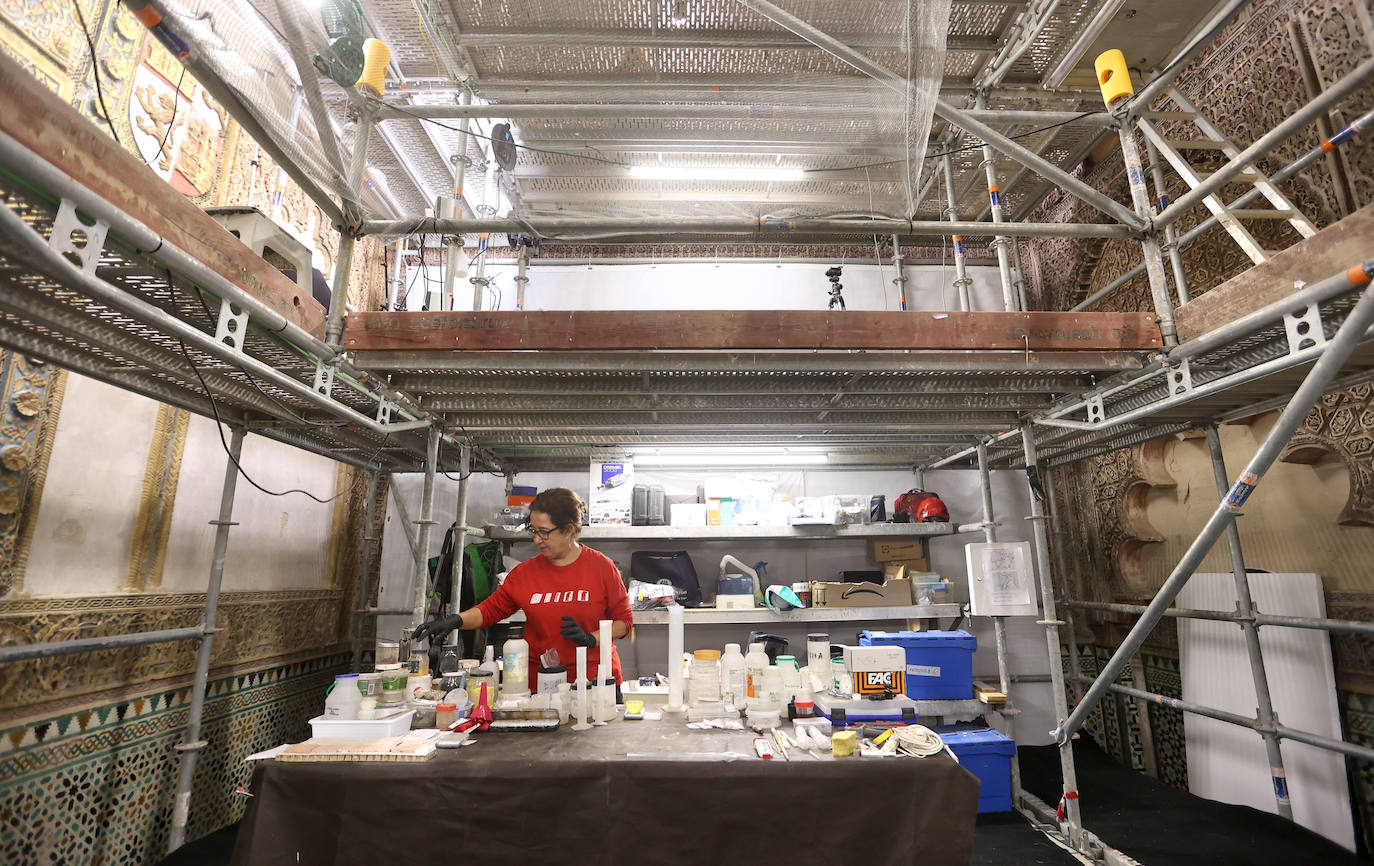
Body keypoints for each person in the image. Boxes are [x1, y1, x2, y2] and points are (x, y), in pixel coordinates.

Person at [412, 487, 633, 688]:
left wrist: (590, 638)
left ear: (568, 530)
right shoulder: (525, 573)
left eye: (544, 532)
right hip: (541, 682)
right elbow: (490, 610)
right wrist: (455, 620)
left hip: (595, 681)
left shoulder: (601, 567)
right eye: (532, 530)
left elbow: (624, 622)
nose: (536, 539)